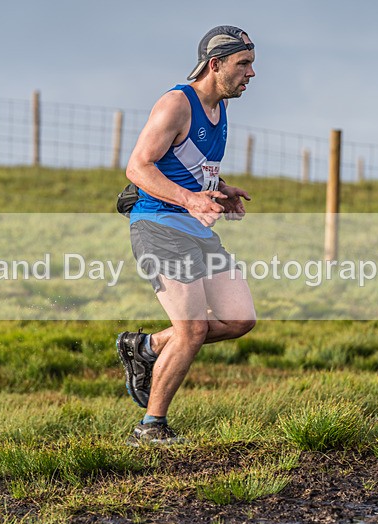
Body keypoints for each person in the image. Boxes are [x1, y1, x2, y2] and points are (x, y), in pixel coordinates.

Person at [116, 25, 257, 446]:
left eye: (251, 64)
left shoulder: (220, 108)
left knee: (239, 319)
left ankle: (145, 347)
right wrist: (190, 200)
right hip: (158, 226)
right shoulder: (177, 103)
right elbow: (138, 167)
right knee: (193, 329)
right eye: (243, 64)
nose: (251, 74)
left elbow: (187, 165)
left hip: (196, 228)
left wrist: (219, 191)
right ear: (215, 65)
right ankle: (150, 427)